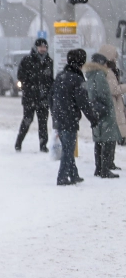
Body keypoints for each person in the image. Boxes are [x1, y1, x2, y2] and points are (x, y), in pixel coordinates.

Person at [51, 48, 102, 185]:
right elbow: (83, 103)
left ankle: (74, 175)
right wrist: (93, 119)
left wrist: (54, 114)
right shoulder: (77, 79)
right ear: (80, 62)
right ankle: (62, 177)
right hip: (69, 118)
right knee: (68, 150)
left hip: (59, 117)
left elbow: (51, 97)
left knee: (67, 147)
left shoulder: (60, 75)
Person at [84, 48, 124, 178]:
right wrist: (108, 107)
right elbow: (105, 93)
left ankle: (99, 168)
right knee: (107, 140)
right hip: (105, 111)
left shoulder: (91, 74)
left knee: (99, 141)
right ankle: (105, 169)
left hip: (96, 111)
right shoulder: (100, 75)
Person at [15, 38, 54, 152]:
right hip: (30, 97)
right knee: (27, 120)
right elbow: (20, 76)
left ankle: (43, 145)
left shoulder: (49, 62)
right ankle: (19, 142)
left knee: (43, 122)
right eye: (41, 47)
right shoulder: (27, 60)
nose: (43, 49)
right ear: (36, 48)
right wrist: (30, 85)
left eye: (45, 47)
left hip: (43, 98)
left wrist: (48, 91)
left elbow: (51, 79)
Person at [97, 44, 126, 168]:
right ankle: (107, 164)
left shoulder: (108, 70)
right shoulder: (107, 72)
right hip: (112, 106)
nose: (115, 59)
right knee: (109, 137)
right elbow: (113, 89)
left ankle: (109, 163)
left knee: (112, 136)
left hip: (113, 106)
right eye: (114, 56)